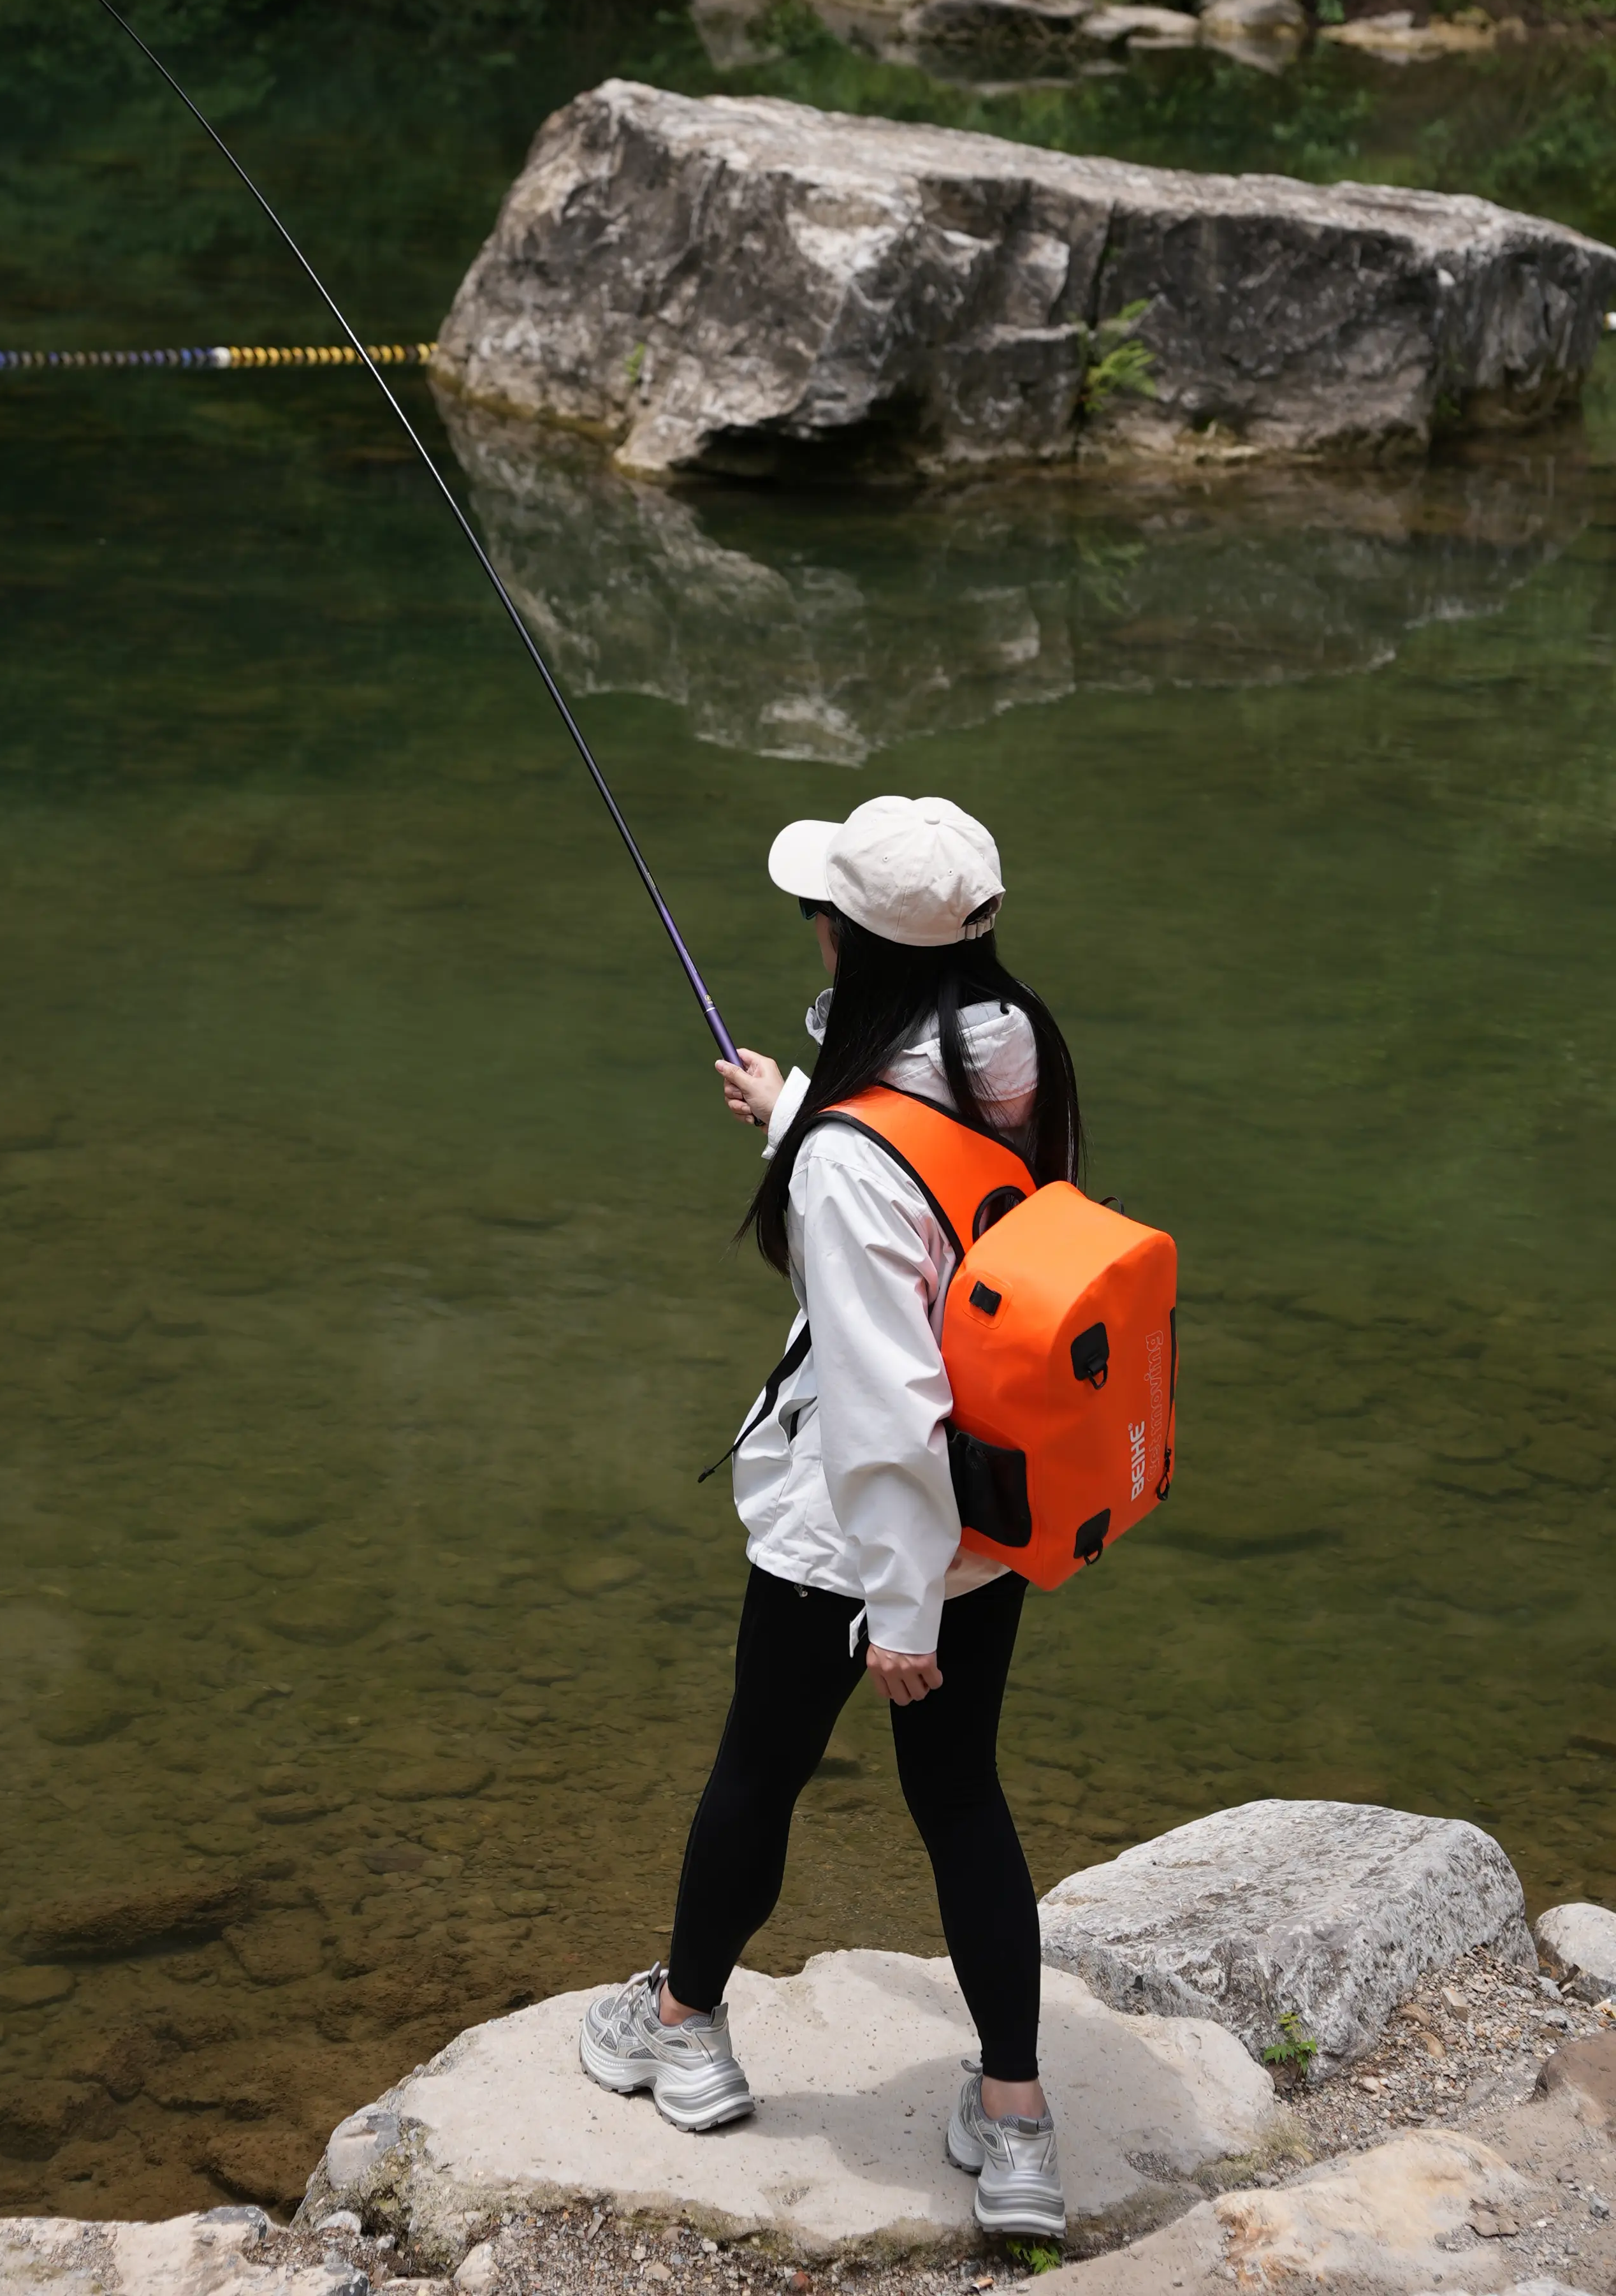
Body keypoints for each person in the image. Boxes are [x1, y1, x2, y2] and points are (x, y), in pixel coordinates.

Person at [578, 794, 1084, 2240]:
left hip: (866, 1543)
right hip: (998, 1507)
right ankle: (1017, 2121)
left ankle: (681, 2026)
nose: (810, 923)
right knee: (963, 1800)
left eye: (823, 911)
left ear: (848, 937)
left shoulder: (857, 1155)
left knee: (759, 1771)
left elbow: (880, 1396)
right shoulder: (1017, 1044)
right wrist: (800, 1114)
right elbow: (953, 1213)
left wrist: (898, 1612)